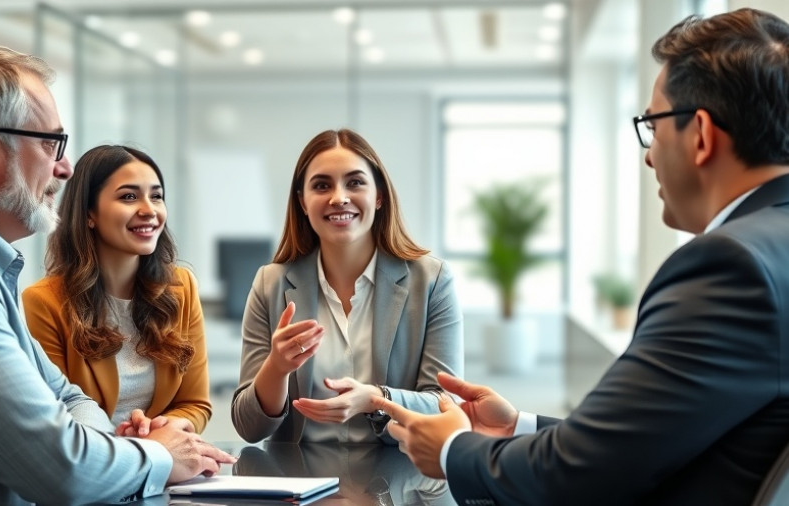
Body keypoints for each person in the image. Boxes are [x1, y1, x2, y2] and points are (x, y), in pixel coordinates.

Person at [374, 7, 789, 506]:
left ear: (700, 134)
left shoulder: (729, 267)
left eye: (653, 127)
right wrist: (520, 427)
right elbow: (643, 445)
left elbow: (579, 478)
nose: (649, 155)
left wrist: (451, 450)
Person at [0, 42, 233, 505]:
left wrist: (105, 448)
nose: (64, 168)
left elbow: (70, 401)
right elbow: (61, 467)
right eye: (51, 144)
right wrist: (158, 454)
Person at [231, 128, 464, 444]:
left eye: (355, 183)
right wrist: (277, 367)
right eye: (321, 185)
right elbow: (249, 428)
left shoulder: (432, 281)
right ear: (302, 202)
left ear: (379, 196)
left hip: (400, 470)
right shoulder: (270, 284)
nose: (339, 198)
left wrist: (376, 399)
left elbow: (447, 408)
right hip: (299, 472)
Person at [22, 145, 212, 435]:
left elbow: (194, 404)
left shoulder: (181, 287)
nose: (149, 210)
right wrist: (132, 444)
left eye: (156, 196)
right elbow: (57, 416)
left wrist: (159, 429)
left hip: (164, 455)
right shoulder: (44, 302)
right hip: (93, 456)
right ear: (89, 213)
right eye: (129, 197)